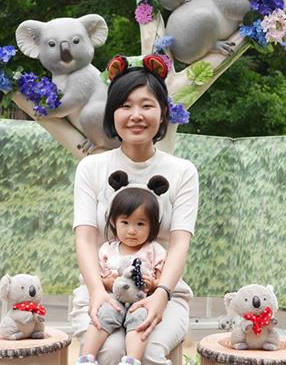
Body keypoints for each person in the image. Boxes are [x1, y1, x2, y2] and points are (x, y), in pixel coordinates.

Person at [71, 55, 199, 365]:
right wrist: (96, 292)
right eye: (125, 106)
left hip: (163, 291)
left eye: (146, 105)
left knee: (148, 352)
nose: (136, 115)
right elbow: (85, 238)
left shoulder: (183, 172)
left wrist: (161, 295)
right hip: (101, 288)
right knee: (109, 351)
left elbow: (180, 243)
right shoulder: (91, 167)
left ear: (163, 111)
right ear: (112, 113)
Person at [77, 171, 169, 365]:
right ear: (114, 222)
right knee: (103, 314)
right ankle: (86, 358)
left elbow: (160, 280)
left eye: (140, 224)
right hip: (113, 298)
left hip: (141, 301)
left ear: (152, 226)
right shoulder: (107, 249)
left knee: (141, 320)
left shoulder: (154, 250)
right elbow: (99, 277)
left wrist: (152, 284)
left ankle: (131, 360)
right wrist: (108, 282)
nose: (132, 230)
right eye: (125, 222)